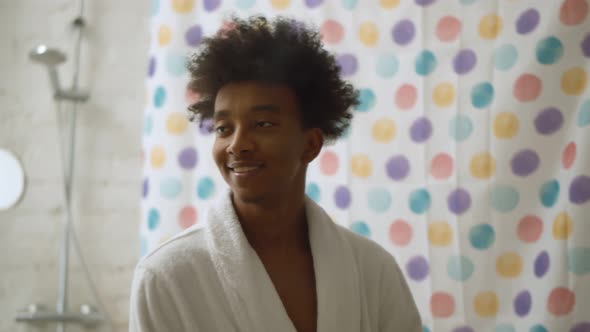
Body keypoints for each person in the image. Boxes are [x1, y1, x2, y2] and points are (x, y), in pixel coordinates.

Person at [129, 15, 421, 332]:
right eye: (224, 128)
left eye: (263, 124)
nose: (237, 145)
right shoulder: (166, 276)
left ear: (310, 144)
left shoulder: (373, 269)